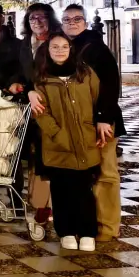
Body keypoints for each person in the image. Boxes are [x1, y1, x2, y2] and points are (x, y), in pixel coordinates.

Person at [33, 32, 103, 252]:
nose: (60, 50)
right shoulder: (42, 79)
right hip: (57, 145)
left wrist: (92, 126)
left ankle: (87, 232)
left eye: (65, 46)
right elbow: (40, 113)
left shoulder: (84, 73)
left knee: (84, 189)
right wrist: (57, 133)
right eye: (55, 47)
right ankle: (66, 231)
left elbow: (97, 99)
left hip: (84, 141)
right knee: (62, 190)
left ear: (71, 49)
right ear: (48, 50)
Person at [62, 4, 123, 242]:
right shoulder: (67, 46)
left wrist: (104, 119)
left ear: (85, 22)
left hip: (100, 122)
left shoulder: (96, 47)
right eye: (67, 19)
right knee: (85, 175)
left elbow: (110, 84)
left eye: (77, 19)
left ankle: (107, 227)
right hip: (79, 122)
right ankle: (89, 223)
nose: (72, 23)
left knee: (106, 173)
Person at [20, 4, 62, 223]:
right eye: (32, 18)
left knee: (54, 155)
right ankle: (40, 204)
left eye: (42, 17)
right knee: (38, 157)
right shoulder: (26, 44)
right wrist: (22, 87)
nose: (37, 21)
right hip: (33, 107)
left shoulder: (58, 42)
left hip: (55, 106)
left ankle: (56, 204)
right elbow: (20, 72)